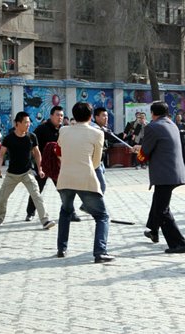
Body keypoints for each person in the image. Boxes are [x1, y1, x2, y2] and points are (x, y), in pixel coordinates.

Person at [56, 102, 115, 263]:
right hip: (86, 178)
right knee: (102, 216)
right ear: (91, 116)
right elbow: (96, 162)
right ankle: (100, 251)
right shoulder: (97, 133)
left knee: (65, 211)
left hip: (65, 178)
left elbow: (61, 147)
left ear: (74, 115)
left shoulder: (63, 130)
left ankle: (61, 248)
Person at [134, 101, 185, 254]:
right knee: (158, 201)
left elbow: (144, 153)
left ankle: (180, 244)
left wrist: (138, 152)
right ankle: (153, 230)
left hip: (165, 174)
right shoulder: (172, 124)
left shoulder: (152, 126)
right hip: (174, 171)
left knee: (162, 210)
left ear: (153, 113)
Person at [0, 112, 55, 229]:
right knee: (3, 197)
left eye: (29, 122)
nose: (28, 124)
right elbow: (1, 155)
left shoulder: (31, 137)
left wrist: (40, 168)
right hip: (11, 174)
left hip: (27, 173)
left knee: (36, 195)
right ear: (17, 124)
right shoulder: (9, 138)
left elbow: (37, 153)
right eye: (25, 122)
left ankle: (45, 220)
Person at [25, 106, 81, 222]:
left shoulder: (64, 130)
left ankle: (71, 213)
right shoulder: (41, 129)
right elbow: (33, 146)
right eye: (57, 115)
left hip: (58, 166)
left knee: (64, 190)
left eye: (61, 115)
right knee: (37, 190)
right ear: (51, 116)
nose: (60, 118)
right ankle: (30, 212)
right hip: (43, 165)